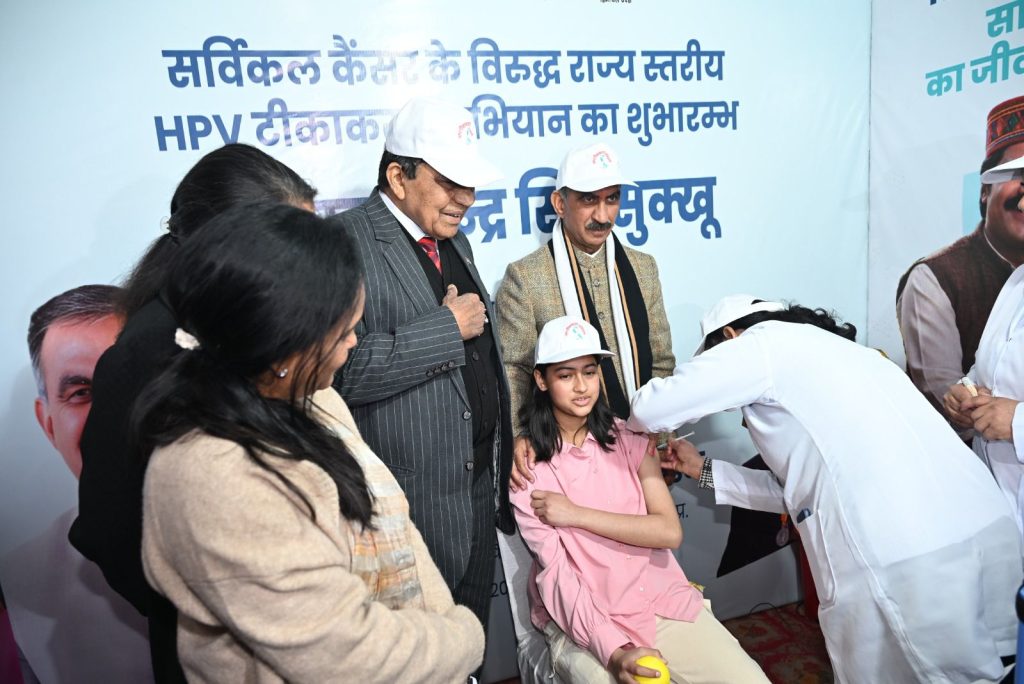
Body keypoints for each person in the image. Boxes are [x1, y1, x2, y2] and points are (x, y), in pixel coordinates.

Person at [136, 202, 484, 683]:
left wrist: (444, 634)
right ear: (281, 341)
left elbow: (397, 528)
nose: (354, 343)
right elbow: (342, 657)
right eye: (341, 332)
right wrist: (463, 638)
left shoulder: (315, 397)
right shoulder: (212, 474)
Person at [630, 295, 1022, 684]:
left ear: (730, 336)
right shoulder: (852, 355)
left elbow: (650, 410)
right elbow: (803, 492)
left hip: (909, 556)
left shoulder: (760, 344)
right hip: (988, 530)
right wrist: (702, 470)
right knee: (1006, 667)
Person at [69, 144, 317, 683]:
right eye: (288, 245)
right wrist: (204, 616)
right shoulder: (145, 355)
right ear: (222, 243)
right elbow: (108, 531)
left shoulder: (243, 326)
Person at [333, 97, 514, 632]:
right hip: (410, 502)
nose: (467, 198)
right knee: (420, 651)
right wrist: (444, 329)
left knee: (469, 640)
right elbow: (337, 374)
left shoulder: (455, 240)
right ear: (398, 176)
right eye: (449, 182)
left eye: (470, 184)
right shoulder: (343, 243)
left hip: (477, 487)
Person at [510, 316, 768, 684]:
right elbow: (559, 578)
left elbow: (668, 532)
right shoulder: (528, 468)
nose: (581, 387)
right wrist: (613, 651)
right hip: (585, 620)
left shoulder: (631, 437)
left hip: (661, 601)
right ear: (541, 380)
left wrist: (575, 514)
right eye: (565, 375)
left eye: (589, 372)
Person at [496, 142, 675, 489]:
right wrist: (519, 434)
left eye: (612, 199)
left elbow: (661, 362)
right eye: (590, 200)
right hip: (565, 458)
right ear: (560, 204)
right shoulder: (526, 277)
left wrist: (663, 436)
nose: (603, 216)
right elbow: (515, 370)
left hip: (643, 450)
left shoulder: (643, 268)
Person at [0, 285, 152, 683]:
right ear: (48, 425)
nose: (110, 419)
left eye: (131, 383)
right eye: (82, 393)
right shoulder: (13, 599)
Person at [897, 95, 1024, 426]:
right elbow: (984, 372)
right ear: (984, 191)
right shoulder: (1010, 281)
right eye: (1017, 175)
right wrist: (963, 393)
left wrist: (1016, 422)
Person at [944, 149, 1024, 539]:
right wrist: (965, 392)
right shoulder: (1017, 280)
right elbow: (988, 366)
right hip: (998, 512)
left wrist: (1018, 423)